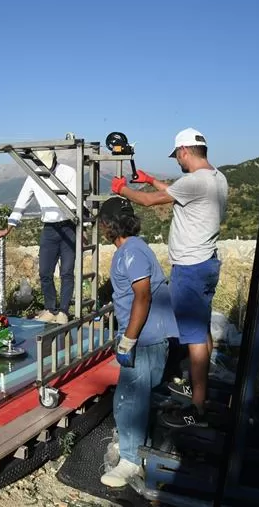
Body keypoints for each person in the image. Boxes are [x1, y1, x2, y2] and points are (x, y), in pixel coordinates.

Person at [111, 128, 228, 428]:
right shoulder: (216, 178)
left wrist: (122, 190)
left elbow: (151, 202)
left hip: (190, 268)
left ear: (184, 151)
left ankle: (197, 407)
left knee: (194, 336)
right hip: (207, 263)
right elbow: (176, 192)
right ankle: (197, 385)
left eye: (177, 155)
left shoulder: (193, 181)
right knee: (200, 329)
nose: (177, 160)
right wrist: (150, 180)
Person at [97, 197, 179, 487]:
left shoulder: (132, 252)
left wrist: (129, 338)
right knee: (126, 397)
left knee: (133, 399)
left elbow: (143, 296)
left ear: (107, 225)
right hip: (145, 335)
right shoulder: (133, 248)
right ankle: (130, 444)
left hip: (145, 338)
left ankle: (131, 461)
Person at [0, 150, 77, 324]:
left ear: (55, 159)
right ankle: (50, 309)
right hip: (49, 229)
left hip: (69, 226)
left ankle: (63, 311)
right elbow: (22, 201)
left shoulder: (69, 172)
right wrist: (9, 228)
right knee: (45, 271)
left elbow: (77, 201)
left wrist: (82, 227)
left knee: (66, 272)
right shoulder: (34, 176)